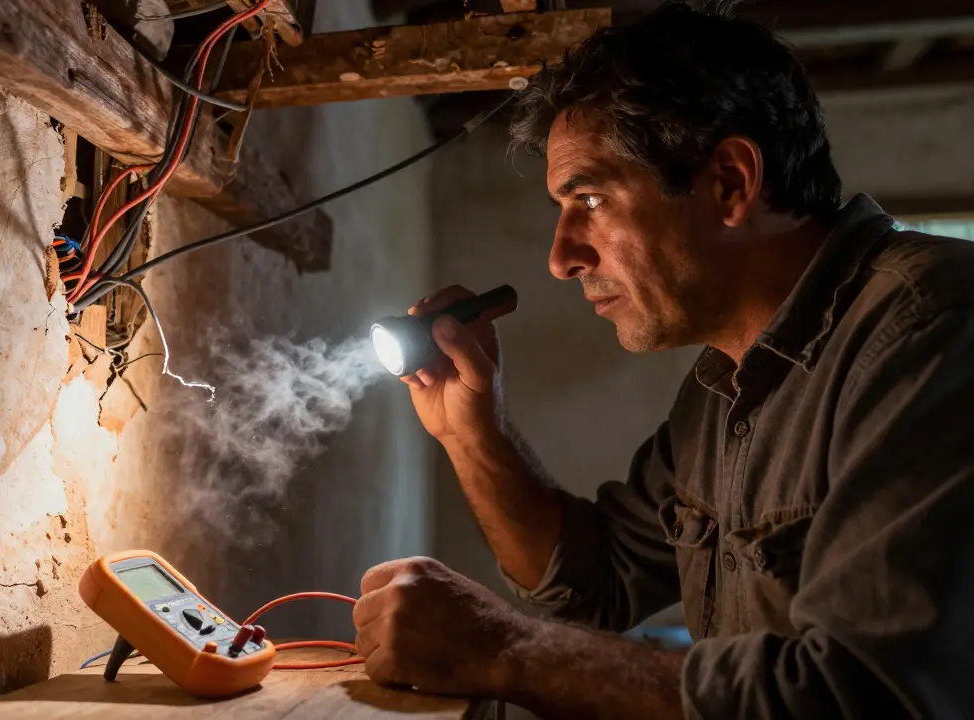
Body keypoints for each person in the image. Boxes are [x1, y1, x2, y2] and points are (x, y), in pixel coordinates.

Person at [350, 2, 974, 717]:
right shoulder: (723, 386)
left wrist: (503, 647)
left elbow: (864, 696)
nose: (561, 258)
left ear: (731, 182)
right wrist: (469, 429)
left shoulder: (932, 327)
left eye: (589, 197)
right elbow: (596, 585)